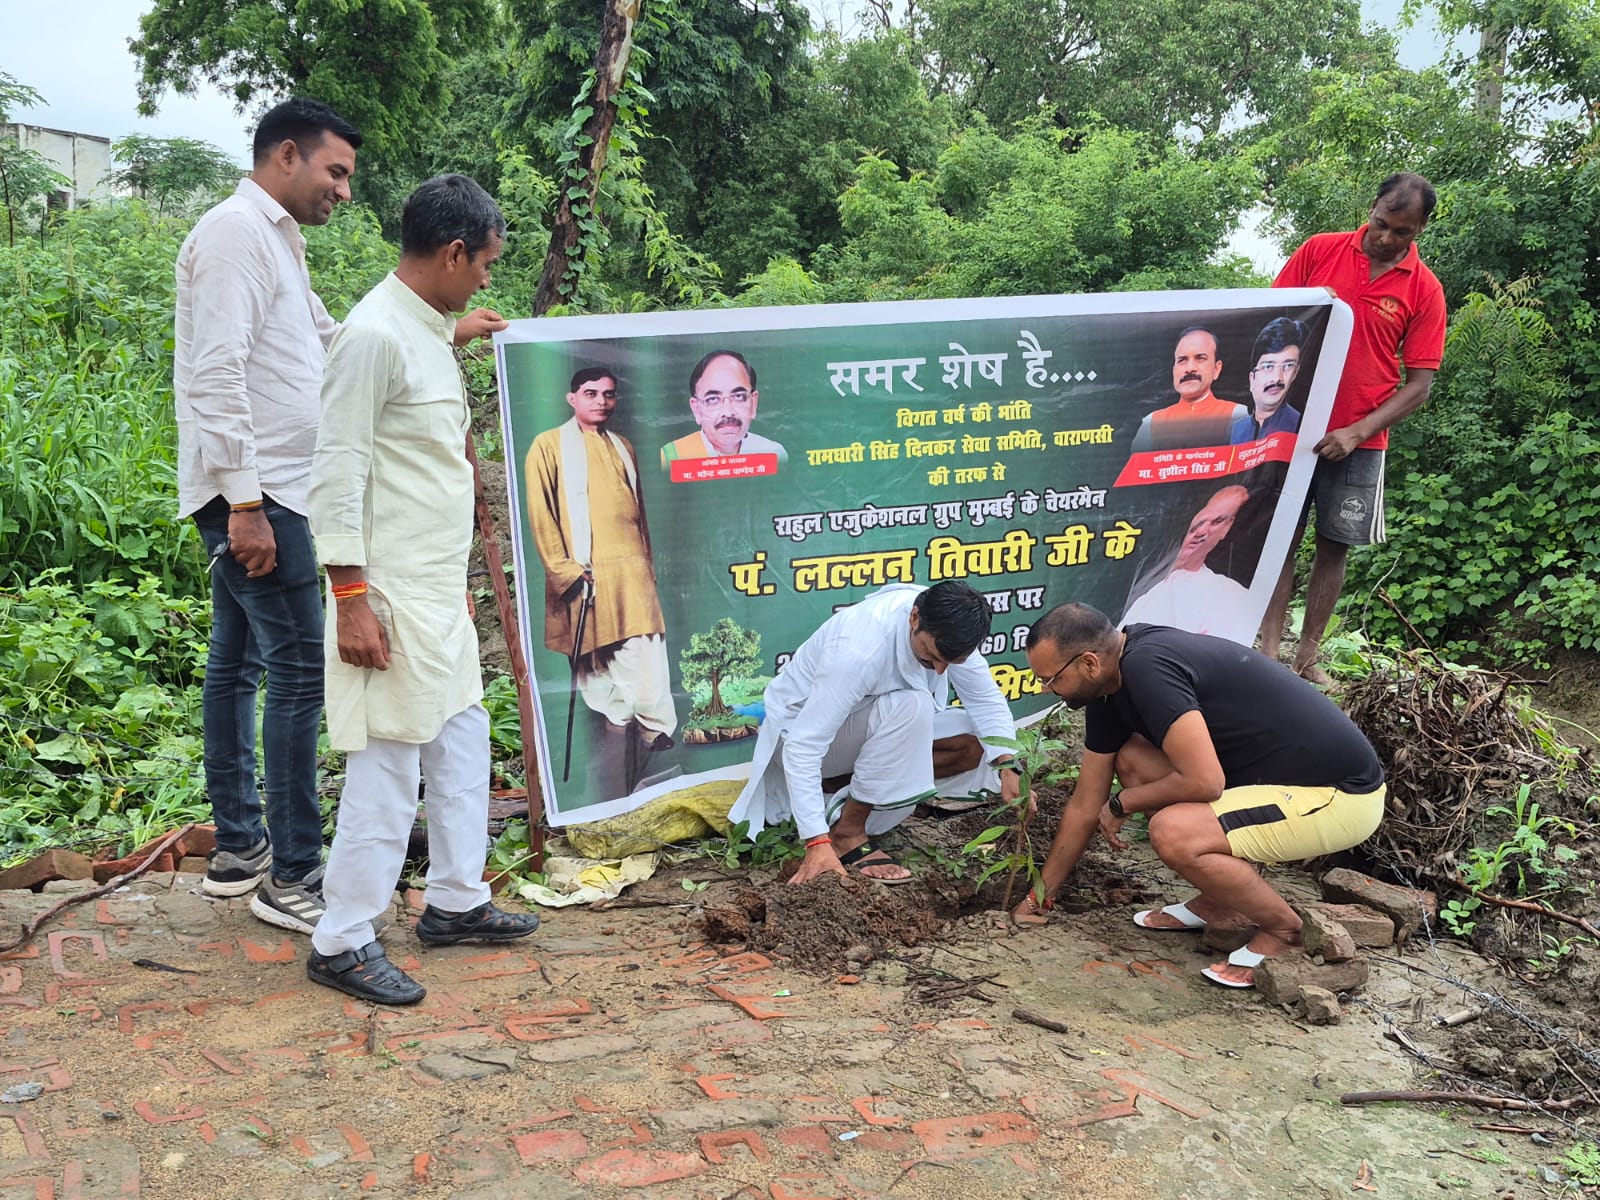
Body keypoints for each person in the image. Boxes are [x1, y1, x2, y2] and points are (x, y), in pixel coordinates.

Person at [305, 175, 537, 1005]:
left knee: (463, 744)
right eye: (483, 266)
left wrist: (455, 333)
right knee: (389, 768)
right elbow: (336, 472)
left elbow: (420, 386)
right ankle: (342, 936)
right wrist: (350, 597)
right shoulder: (370, 336)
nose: (486, 280)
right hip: (391, 593)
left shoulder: (421, 329)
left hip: (438, 593)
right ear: (451, 252)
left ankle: (455, 899)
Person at [174, 98, 362, 931]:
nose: (344, 192)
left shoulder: (277, 241)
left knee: (239, 663)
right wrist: (244, 503)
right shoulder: (233, 236)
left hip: (269, 489)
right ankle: (292, 875)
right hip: (264, 496)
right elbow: (215, 376)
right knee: (296, 673)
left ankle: (239, 849)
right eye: (336, 171)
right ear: (287, 155)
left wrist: (438, 327)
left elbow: (328, 341)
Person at [1013, 604, 1385, 989]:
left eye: (1051, 679)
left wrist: (1124, 802)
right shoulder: (1111, 682)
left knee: (1174, 832)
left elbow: (1205, 782)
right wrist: (1040, 898)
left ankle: (1285, 931)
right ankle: (1218, 901)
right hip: (1269, 784)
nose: (1047, 689)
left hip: (1338, 797)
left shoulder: (1149, 671)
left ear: (1089, 663)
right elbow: (1085, 802)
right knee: (1134, 762)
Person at [1259, 173, 1447, 684]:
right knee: (1281, 537)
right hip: (1291, 426)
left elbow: (1420, 385)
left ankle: (1308, 659)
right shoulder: (1320, 251)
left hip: (1359, 440)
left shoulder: (1424, 289)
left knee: (1333, 544)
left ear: (1420, 230)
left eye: (1402, 232)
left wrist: (1357, 432)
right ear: (1373, 205)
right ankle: (1270, 652)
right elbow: (1270, 318)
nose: (1386, 238)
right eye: (1382, 223)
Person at [728, 581, 1027, 884]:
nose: (938, 671)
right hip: (799, 736)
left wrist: (1008, 765)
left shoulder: (953, 629)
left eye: (950, 663)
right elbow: (803, 745)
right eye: (931, 656)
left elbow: (986, 699)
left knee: (976, 742)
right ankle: (847, 832)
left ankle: (842, 790)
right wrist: (816, 842)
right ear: (914, 618)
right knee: (912, 705)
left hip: (859, 728)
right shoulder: (858, 650)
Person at [527, 368, 677, 800]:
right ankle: (609, 800)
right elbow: (542, 516)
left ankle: (637, 790)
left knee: (646, 682)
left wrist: (647, 569)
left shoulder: (623, 446)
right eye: (591, 393)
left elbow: (640, 518)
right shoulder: (549, 445)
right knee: (604, 688)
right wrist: (567, 572)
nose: (601, 402)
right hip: (587, 580)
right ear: (571, 397)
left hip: (633, 579)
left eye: (609, 395)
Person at [1119, 485, 1253, 642]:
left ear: (1228, 527)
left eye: (1217, 521)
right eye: (1200, 521)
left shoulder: (1230, 595)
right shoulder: (1133, 575)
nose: (1202, 531)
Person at [659, 350, 788, 467]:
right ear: (696, 409)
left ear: (753, 403)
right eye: (713, 399)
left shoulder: (773, 454)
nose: (728, 412)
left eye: (738, 396)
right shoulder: (673, 458)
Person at [1129, 328, 1248, 453]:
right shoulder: (1152, 423)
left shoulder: (1237, 415)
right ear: (1174, 370)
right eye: (1182, 360)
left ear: (1216, 369)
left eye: (1200, 358)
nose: (1190, 368)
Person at [1230, 318, 1306, 443]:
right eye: (1268, 366)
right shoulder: (1237, 429)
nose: (1277, 378)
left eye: (1288, 366)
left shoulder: (1302, 426)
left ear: (1295, 373)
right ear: (1252, 378)